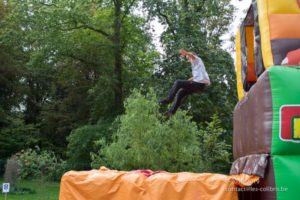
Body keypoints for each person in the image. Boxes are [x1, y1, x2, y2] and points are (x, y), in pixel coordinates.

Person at [159, 48, 210, 117]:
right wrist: (189, 80)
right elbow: (200, 77)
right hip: (199, 86)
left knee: (178, 82)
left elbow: (192, 56)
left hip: (198, 85)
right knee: (181, 93)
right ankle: (171, 112)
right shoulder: (197, 66)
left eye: (188, 58)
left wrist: (186, 53)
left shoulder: (197, 60)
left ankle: (168, 99)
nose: (188, 60)